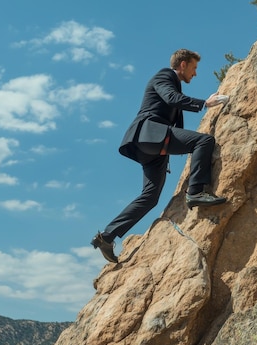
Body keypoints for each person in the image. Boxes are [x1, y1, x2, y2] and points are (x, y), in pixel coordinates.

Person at [91, 49, 229, 263]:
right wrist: (204, 104)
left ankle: (107, 237)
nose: (195, 73)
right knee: (203, 141)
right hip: (151, 134)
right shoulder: (164, 76)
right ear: (182, 65)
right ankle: (196, 192)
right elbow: (171, 98)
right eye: (194, 68)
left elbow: (173, 103)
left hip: (150, 144)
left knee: (150, 197)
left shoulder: (173, 82)